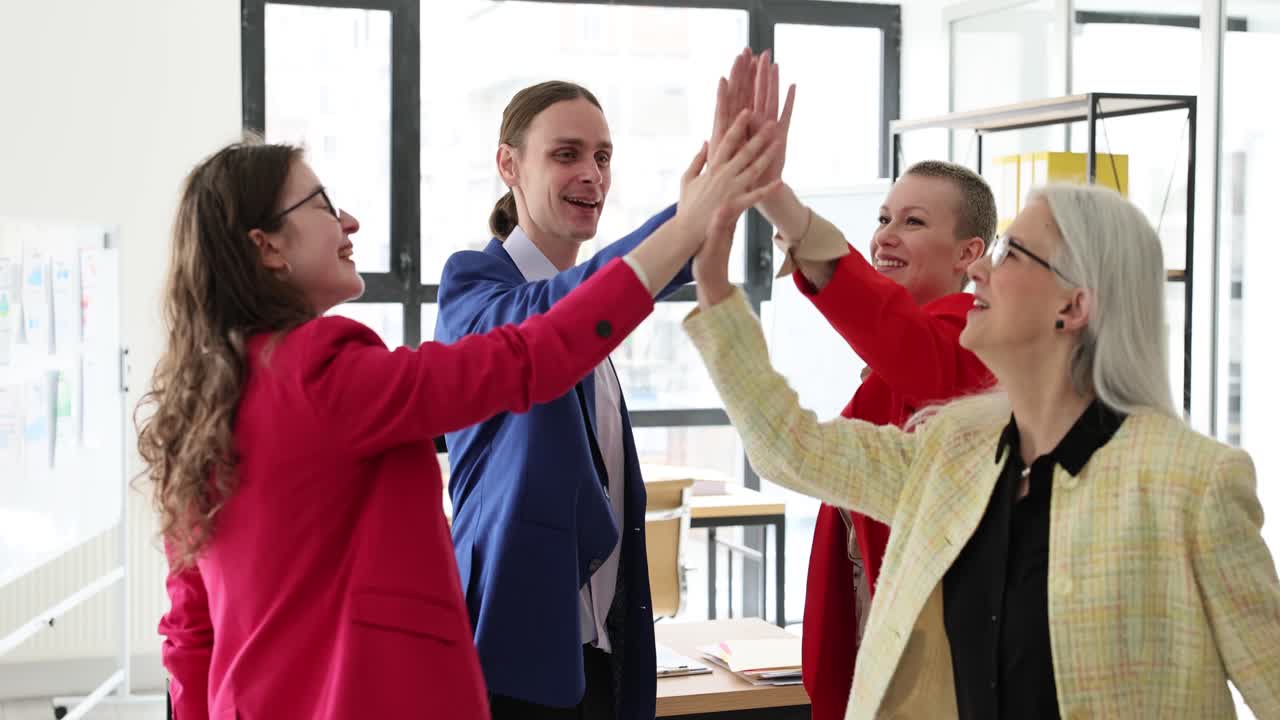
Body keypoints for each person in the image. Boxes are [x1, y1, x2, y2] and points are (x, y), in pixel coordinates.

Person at [141, 122, 776, 719]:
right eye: (323, 206)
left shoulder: (203, 399)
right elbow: (532, 356)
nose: (349, 222)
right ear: (268, 246)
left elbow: (190, 633)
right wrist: (689, 224)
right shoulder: (320, 371)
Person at [686, 179, 1280, 719]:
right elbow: (790, 447)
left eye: (1011, 255)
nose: (979, 273)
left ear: (1074, 306)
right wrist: (712, 280)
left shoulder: (1191, 485)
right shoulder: (953, 451)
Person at [435, 53, 779, 719]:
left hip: (600, 650)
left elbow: (619, 287)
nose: (590, 174)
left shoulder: (593, 304)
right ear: (509, 166)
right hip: (513, 651)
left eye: (602, 156)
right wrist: (689, 214)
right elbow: (552, 325)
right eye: (566, 154)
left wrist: (714, 204)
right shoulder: (475, 285)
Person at [760, 158, 995, 719]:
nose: (885, 236)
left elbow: (890, 328)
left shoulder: (969, 343)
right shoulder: (901, 360)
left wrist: (780, 204)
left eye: (913, 222)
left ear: (969, 254)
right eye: (884, 217)